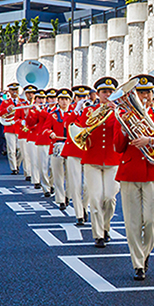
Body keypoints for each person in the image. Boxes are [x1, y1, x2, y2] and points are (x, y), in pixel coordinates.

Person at [113, 74, 154, 281]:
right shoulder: (122, 115)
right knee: (132, 223)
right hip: (130, 172)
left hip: (153, 171)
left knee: (151, 220)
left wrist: (151, 140)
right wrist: (123, 131)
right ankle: (138, 264)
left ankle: (145, 253)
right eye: (140, 92)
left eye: (147, 92)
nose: (144, 96)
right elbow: (118, 147)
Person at [77, 77, 122, 248]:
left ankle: (106, 226)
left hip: (112, 159)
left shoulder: (120, 112)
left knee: (109, 198)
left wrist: (117, 112)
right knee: (95, 199)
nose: (108, 95)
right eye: (104, 92)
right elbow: (81, 131)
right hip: (92, 159)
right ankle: (98, 234)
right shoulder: (89, 111)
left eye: (111, 92)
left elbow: (124, 132)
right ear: (98, 94)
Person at [63, 85, 92, 226]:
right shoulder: (70, 111)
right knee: (75, 184)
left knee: (88, 185)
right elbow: (67, 124)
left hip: (88, 151)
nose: (82, 99)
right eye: (79, 97)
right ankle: (79, 214)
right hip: (73, 151)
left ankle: (85, 207)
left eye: (84, 97)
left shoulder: (92, 110)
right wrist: (76, 110)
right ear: (75, 98)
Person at [42, 88, 73, 209]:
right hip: (57, 146)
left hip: (70, 146)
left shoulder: (74, 113)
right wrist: (50, 133)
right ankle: (60, 198)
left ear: (70, 101)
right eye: (62, 99)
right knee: (57, 174)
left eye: (66, 99)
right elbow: (45, 128)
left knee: (71, 174)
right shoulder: (53, 115)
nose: (64, 102)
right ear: (58, 101)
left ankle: (68, 196)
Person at [0, 82, 22, 174]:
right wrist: (8, 109)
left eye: (16, 90)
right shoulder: (5, 102)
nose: (14, 92)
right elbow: (0, 113)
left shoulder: (21, 101)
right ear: (9, 91)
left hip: (19, 128)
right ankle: (14, 168)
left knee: (20, 150)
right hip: (9, 128)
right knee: (11, 150)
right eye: (12, 90)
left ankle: (18, 165)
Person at [25, 89, 46, 190]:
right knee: (34, 160)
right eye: (39, 98)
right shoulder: (32, 109)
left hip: (45, 138)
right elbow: (30, 123)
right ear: (35, 99)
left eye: (43, 98)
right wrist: (28, 113)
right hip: (33, 137)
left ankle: (46, 181)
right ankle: (36, 180)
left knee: (45, 163)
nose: (41, 100)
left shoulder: (48, 109)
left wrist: (40, 111)